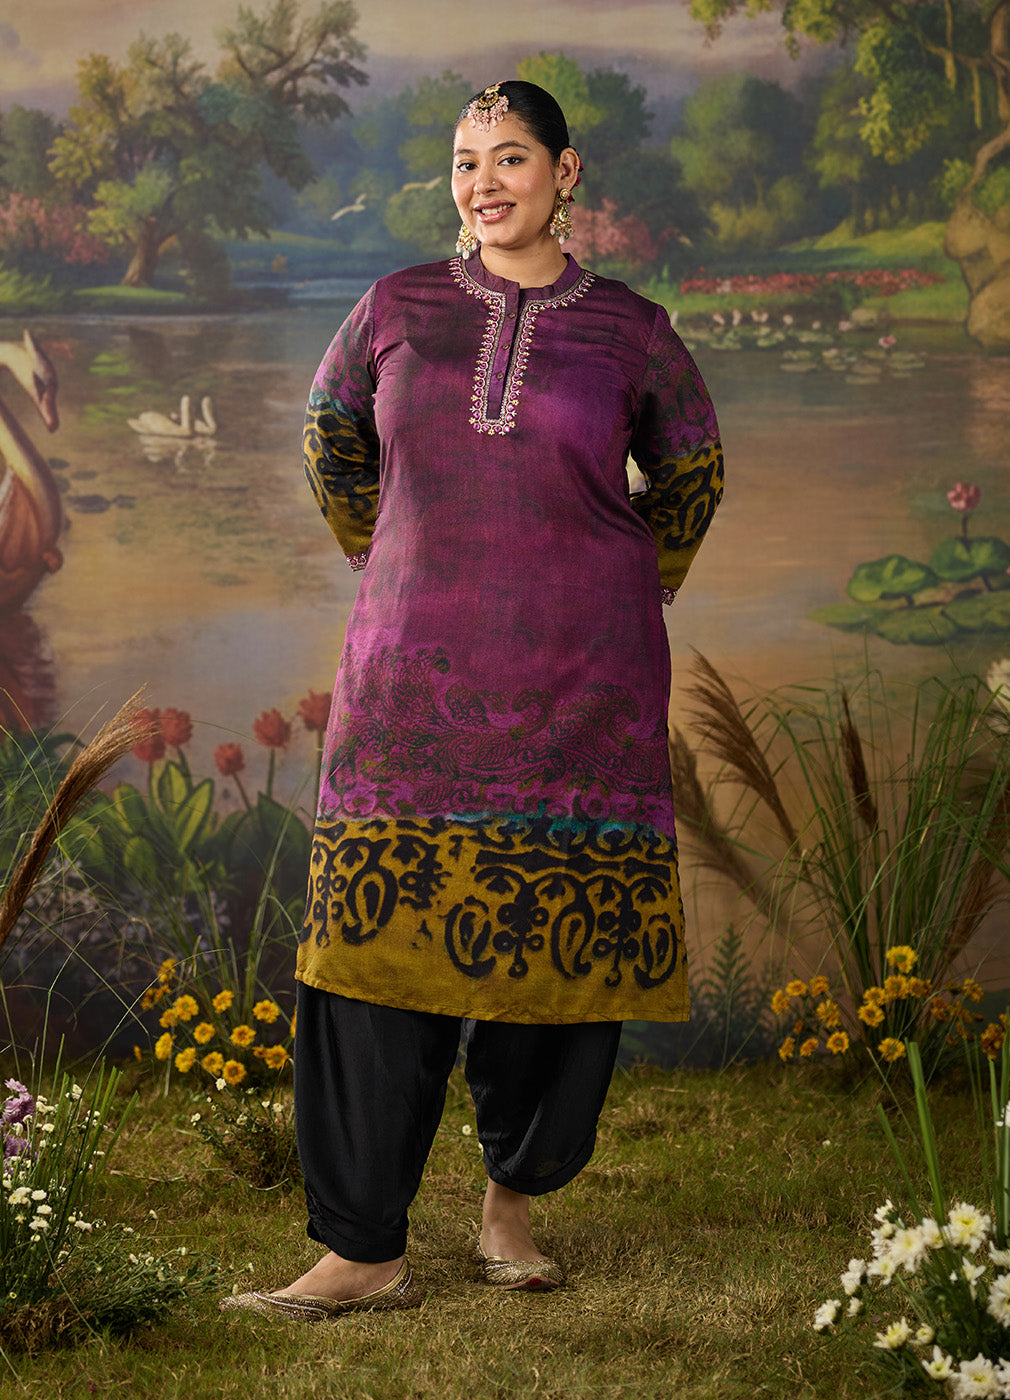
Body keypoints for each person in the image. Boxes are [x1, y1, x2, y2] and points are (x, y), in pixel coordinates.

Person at [221, 79, 723, 1322]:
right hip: (411, 674)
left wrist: (613, 583)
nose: (483, 183)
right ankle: (362, 1246)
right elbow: (329, 438)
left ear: (566, 171)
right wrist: (398, 556)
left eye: (509, 158)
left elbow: (692, 472)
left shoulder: (633, 330)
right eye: (463, 161)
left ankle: (513, 1200)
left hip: (584, 684)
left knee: (554, 946)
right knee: (368, 954)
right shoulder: (395, 307)